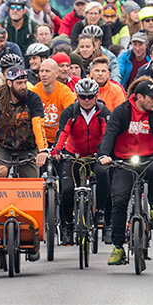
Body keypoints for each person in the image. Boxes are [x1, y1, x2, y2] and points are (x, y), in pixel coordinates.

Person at [99, 79, 153, 265]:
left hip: (150, 159)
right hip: (124, 162)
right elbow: (110, 133)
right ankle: (118, 247)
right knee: (120, 201)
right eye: (152, 98)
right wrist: (104, 155)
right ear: (139, 97)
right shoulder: (122, 111)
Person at [52, 77, 110, 245]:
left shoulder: (104, 112)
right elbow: (63, 132)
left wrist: (105, 153)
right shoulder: (70, 112)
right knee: (67, 189)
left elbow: (108, 135)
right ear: (76, 96)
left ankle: (102, 215)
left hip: (96, 155)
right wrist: (57, 150)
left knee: (104, 175)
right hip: (73, 155)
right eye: (82, 97)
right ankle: (68, 227)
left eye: (90, 96)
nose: (86, 100)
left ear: (96, 96)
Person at [0, 65, 48, 179]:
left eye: (25, 82)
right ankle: (2, 196)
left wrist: (42, 150)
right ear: (9, 83)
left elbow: (38, 124)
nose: (23, 86)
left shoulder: (33, 98)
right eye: (19, 83)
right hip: (4, 148)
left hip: (28, 148)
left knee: (32, 185)